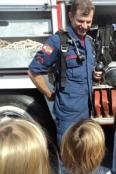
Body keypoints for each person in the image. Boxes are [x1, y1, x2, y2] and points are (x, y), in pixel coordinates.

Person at [28, 0, 102, 143]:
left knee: (83, 156)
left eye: (88, 22)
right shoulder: (57, 41)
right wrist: (49, 94)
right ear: (70, 16)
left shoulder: (88, 41)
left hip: (86, 111)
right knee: (68, 161)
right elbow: (33, 71)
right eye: (80, 21)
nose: (85, 26)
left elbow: (81, 71)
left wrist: (94, 75)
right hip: (67, 117)